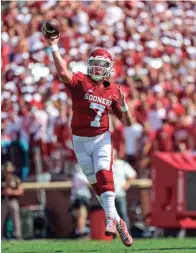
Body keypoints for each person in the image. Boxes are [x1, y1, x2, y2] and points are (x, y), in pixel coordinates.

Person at [43, 29, 133, 247]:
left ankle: (111, 219)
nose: (97, 67)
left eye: (101, 64)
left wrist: (122, 104)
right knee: (96, 185)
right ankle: (119, 220)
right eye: (94, 63)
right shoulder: (81, 81)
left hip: (101, 138)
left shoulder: (114, 90)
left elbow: (127, 122)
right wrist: (53, 46)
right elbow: (63, 72)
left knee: (105, 173)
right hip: (80, 141)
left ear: (109, 68)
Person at [113, 149, 137, 233]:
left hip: (120, 193)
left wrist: (128, 184)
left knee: (122, 214)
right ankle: (113, 235)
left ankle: (126, 233)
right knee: (110, 216)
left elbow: (133, 175)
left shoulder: (122, 164)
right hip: (108, 195)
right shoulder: (104, 165)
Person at [1, 161, 24, 239]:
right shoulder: (1, 180)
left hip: (13, 200)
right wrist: (3, 192)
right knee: (1, 219)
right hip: (3, 201)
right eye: (6, 171)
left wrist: (12, 192)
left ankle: (18, 236)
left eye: (9, 171)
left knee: (16, 219)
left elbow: (21, 191)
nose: (8, 172)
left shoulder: (16, 179)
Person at [70, 164, 91, 239]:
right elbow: (89, 181)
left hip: (80, 197)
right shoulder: (78, 176)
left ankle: (80, 231)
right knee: (81, 216)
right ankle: (80, 232)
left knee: (82, 216)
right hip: (79, 197)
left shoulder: (78, 175)